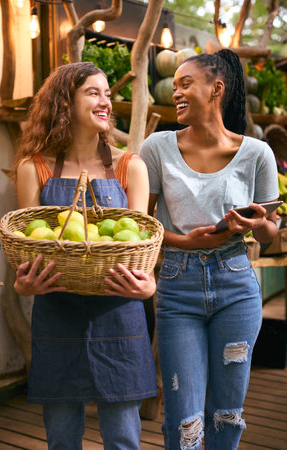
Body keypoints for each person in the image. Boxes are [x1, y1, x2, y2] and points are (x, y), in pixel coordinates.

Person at [12, 61, 157, 450]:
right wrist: (23, 282)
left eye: (108, 93)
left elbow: (141, 244)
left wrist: (149, 284)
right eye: (93, 92)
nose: (105, 101)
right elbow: (27, 245)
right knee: (61, 439)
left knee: (124, 438)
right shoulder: (35, 168)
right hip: (57, 312)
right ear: (65, 102)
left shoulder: (131, 166)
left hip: (119, 312)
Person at [140, 49, 279, 450]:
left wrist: (256, 225)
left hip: (236, 284)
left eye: (186, 84)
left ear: (216, 88)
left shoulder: (257, 153)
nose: (176, 92)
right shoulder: (157, 147)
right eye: (175, 85)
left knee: (227, 412)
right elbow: (141, 224)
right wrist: (185, 240)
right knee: (184, 415)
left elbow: (271, 231)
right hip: (177, 287)